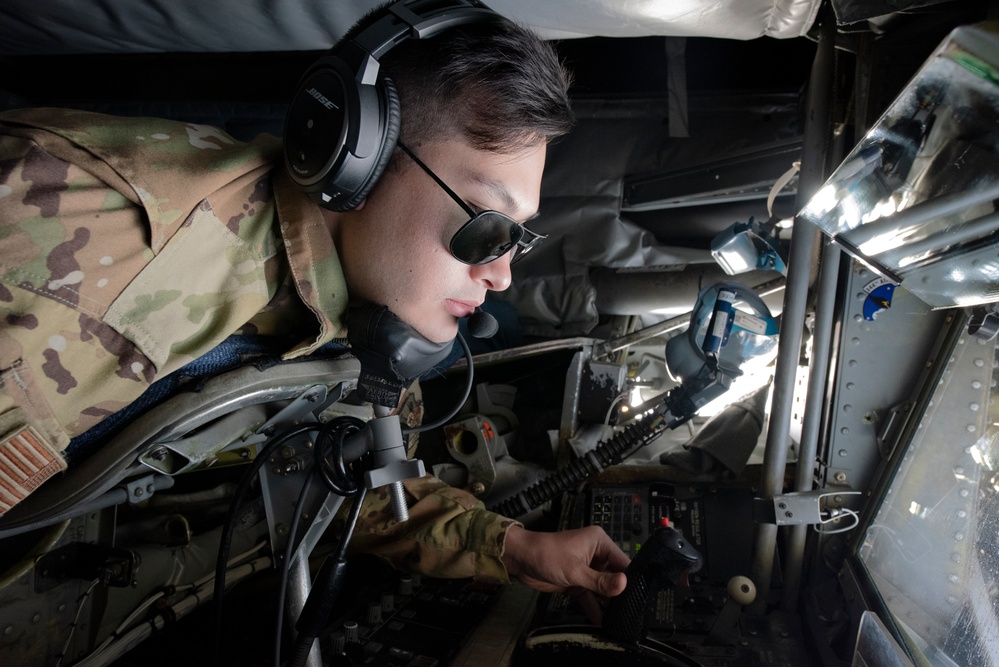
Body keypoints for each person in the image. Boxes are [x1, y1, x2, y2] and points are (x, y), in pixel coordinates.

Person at [0, 1, 630, 604]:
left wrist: (509, 547)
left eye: (518, 239)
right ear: (355, 157)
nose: (500, 275)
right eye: (488, 225)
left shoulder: (360, 314)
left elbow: (344, 471)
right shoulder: (91, 227)